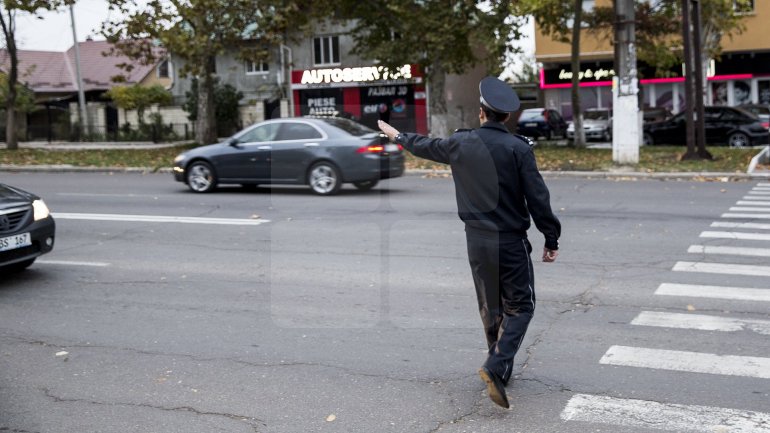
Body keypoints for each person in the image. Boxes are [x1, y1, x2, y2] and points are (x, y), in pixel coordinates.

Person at [378, 76, 561, 409]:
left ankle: (499, 368)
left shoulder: (460, 144)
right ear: (505, 117)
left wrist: (397, 135)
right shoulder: (518, 148)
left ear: (480, 113)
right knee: (520, 307)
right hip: (509, 241)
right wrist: (551, 237)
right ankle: (495, 365)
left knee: (491, 307)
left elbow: (425, 146)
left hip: (476, 241)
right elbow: (538, 198)